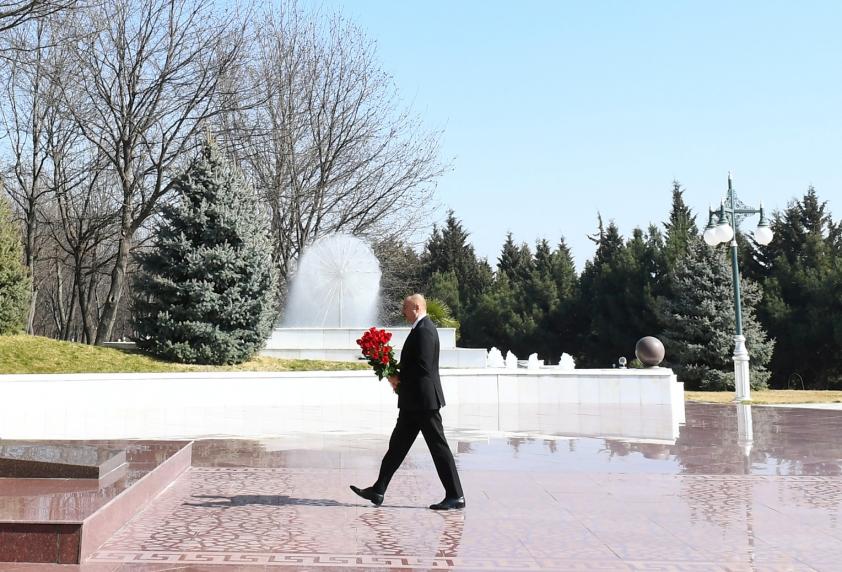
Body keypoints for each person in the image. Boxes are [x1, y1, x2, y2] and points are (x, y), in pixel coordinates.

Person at [350, 294, 465, 510]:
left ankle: (456, 496)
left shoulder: (425, 330)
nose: (403, 311)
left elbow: (422, 367)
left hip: (423, 402)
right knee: (397, 446)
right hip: (414, 402)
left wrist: (398, 378)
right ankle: (378, 490)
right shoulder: (419, 329)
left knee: (438, 448)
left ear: (417, 307)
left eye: (406, 307)